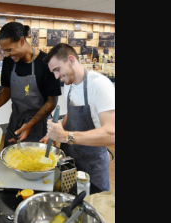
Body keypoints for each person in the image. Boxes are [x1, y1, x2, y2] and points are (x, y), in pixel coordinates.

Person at [40, 43, 115, 192]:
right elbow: (71, 113)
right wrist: (56, 133)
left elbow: (111, 133)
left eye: (57, 70)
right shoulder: (70, 83)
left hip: (93, 165)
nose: (56, 77)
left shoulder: (100, 85)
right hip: (71, 158)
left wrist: (66, 136)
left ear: (71, 60)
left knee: (93, 206)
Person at [0, 22, 61, 148]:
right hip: (16, 122)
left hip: (40, 125)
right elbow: (7, 89)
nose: (7, 55)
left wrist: (30, 124)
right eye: (5, 51)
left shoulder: (47, 63)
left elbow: (52, 101)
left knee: (35, 161)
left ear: (21, 41)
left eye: (9, 50)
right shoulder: (9, 62)